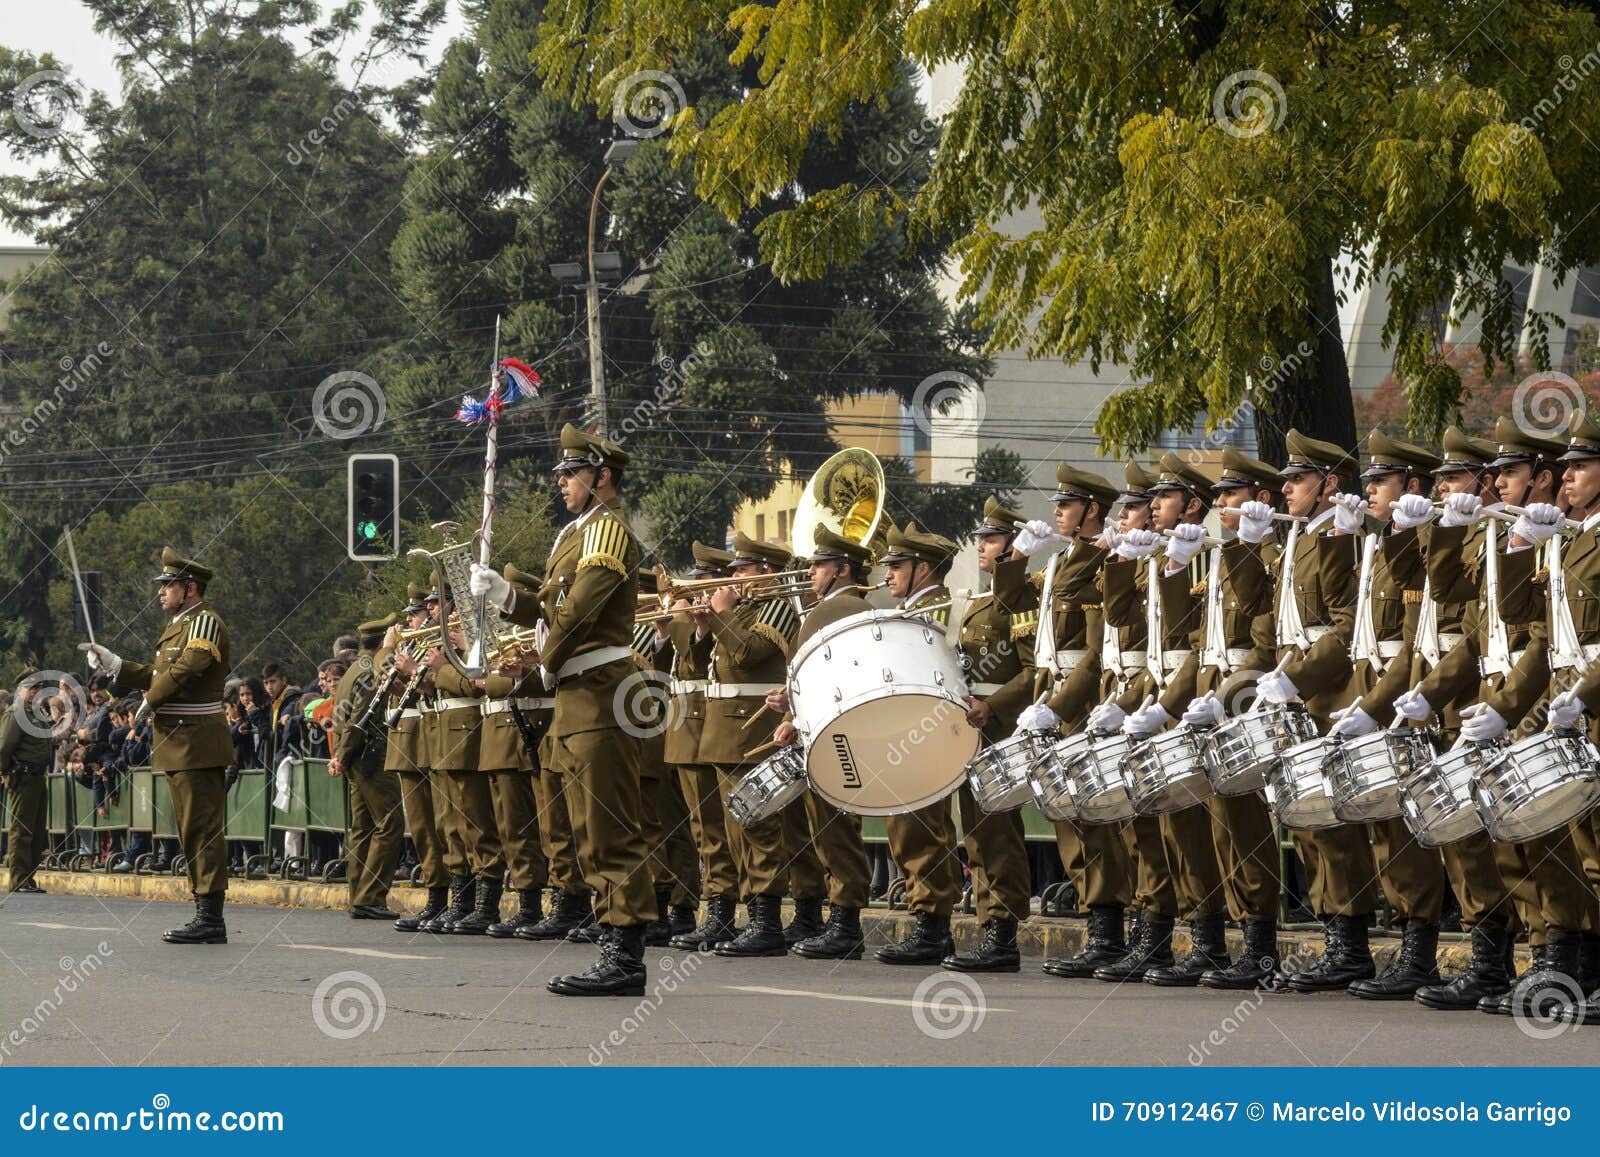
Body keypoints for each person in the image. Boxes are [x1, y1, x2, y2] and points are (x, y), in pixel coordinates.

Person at [472, 423, 657, 996]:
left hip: (600, 690)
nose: (561, 483)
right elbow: (554, 607)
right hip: (578, 697)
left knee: (610, 830)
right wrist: (507, 599)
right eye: (560, 473)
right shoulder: (574, 535)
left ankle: (625, 957)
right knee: (584, 829)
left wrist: (541, 664)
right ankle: (611, 942)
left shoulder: (607, 529)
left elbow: (579, 611)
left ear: (602, 477)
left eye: (571, 473)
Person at [1226, 431, 1384, 989]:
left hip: (1329, 694)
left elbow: (1344, 629)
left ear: (1330, 484)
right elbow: (1264, 622)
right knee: (1308, 824)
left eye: (1297, 479)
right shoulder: (1295, 540)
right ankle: (1336, 940)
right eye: (1286, 479)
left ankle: (1353, 947)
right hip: (1292, 691)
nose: (1286, 488)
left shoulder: (1340, 537)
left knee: (1334, 826)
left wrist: (1292, 679)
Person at [1321, 430, 1450, 999]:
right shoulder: (1373, 544)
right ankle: (1398, 948)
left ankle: (1423, 953)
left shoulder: (1425, 544)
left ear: (1411, 487)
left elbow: (1410, 643)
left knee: (1407, 830)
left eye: (1382, 481)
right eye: (1368, 480)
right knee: (1381, 826)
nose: (1369, 489)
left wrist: (1375, 707)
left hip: (1409, 698)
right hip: (1372, 692)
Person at [1001, 463, 1135, 978]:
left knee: (1093, 823)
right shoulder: (1061, 563)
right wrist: (1017, 556)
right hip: (1051, 702)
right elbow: (1011, 600)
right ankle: (1096, 925)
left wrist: (1057, 710)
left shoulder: (1101, 561)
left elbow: (1095, 657)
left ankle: (1108, 932)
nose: (1056, 511)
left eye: (1066, 504)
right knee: (1067, 823)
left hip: (1078, 708)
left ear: (1092, 511)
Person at [1103, 453, 1231, 985]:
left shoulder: (1208, 555)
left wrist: (1167, 705)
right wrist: (1119, 564)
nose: (1151, 507)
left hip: (1195, 699)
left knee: (1194, 830)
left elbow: (1191, 640)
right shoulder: (1156, 557)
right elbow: (1120, 620)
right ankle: (1154, 935)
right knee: (1152, 826)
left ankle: (1209, 940)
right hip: (1154, 696)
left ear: (1193, 505)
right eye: (1148, 500)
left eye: (1163, 498)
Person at [81, 547, 234, 945]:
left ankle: (211, 917)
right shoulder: (177, 627)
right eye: (162, 586)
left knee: (202, 829)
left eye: (168, 586)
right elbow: (157, 671)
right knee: (189, 829)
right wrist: (116, 665)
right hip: (179, 741)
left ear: (190, 587)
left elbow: (187, 669)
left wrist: (152, 699)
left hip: (198, 739)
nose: (160, 593)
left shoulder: (205, 622)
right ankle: (204, 910)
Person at [766, 524, 877, 959]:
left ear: (842, 569)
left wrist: (796, 711)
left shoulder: (838, 608)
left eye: (819, 565)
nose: (810, 572)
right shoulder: (833, 607)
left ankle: (846, 924)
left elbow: (837, 676)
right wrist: (791, 703)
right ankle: (838, 920)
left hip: (834, 730)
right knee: (827, 827)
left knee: (835, 827)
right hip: (824, 726)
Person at [694, 531, 802, 958]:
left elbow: (747, 656)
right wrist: (710, 623)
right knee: (739, 830)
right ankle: (752, 916)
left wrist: (720, 616)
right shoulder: (747, 609)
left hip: (754, 733)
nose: (733, 576)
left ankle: (767, 922)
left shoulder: (775, 608)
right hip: (729, 732)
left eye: (743, 569)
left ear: (767, 573)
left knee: (760, 829)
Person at [947, 498, 1037, 973]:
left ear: (1014, 547)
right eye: (981, 538)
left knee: (999, 833)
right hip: (970, 730)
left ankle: (1003, 934)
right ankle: (989, 927)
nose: (982, 546)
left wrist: (993, 706)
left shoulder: (1021, 599)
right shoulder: (977, 599)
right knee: (979, 834)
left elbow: (1032, 672)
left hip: (999, 728)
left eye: (993, 539)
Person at [874, 522, 966, 964]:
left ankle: (932, 927)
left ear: (923, 568)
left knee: (922, 828)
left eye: (897, 565)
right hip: (907, 731)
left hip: (925, 732)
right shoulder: (911, 611)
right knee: (905, 828)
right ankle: (927, 923)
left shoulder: (940, 610)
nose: (888, 573)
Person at [664, 541, 743, 950]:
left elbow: (724, 658)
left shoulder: (734, 614)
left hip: (707, 726)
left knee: (716, 827)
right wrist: (689, 624)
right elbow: (681, 658)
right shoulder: (700, 617)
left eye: (704, 581)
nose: (696, 587)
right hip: (690, 727)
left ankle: (723, 909)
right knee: (703, 830)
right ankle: (716, 909)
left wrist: (707, 622)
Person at [330, 615, 407, 920]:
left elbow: (342, 720)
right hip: (368, 757)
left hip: (355, 757)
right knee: (390, 824)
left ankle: (358, 895)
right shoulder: (368, 672)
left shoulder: (353, 670)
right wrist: (344, 756)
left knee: (362, 829)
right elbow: (358, 720)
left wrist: (341, 755)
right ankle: (371, 896)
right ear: (380, 643)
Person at [1, 670, 53, 893]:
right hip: (23, 776)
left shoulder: (37, 714)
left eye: (39, 687)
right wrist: (5, 772)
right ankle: (19, 879)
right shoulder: (16, 713)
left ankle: (28, 878)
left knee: (37, 831)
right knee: (22, 830)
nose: (36, 691)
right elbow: (4, 747)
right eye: (32, 687)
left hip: (38, 777)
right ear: (22, 689)